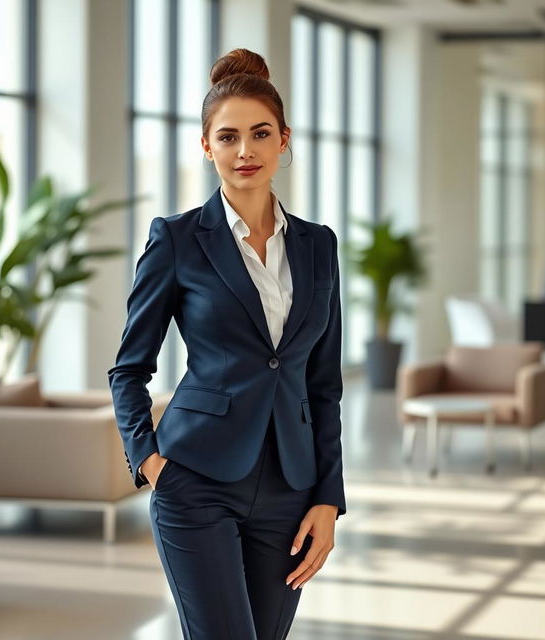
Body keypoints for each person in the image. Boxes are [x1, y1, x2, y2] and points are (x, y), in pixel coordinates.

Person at [107, 47, 346, 640]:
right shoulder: (178, 240)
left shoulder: (319, 246)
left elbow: (324, 384)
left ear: (283, 140)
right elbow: (128, 370)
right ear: (206, 145)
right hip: (196, 481)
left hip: (291, 490)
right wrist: (150, 462)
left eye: (261, 134)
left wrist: (328, 498)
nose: (246, 151)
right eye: (229, 136)